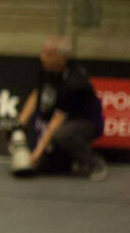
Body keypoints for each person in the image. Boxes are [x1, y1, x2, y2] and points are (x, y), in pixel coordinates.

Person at [12, 35, 107, 181]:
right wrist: (18, 125)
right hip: (62, 120)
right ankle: (69, 162)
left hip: (85, 122)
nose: (42, 57)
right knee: (44, 167)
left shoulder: (74, 82)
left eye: (48, 55)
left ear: (62, 59)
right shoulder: (47, 68)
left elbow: (57, 121)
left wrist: (36, 154)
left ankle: (93, 162)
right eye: (43, 53)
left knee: (62, 135)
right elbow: (37, 94)